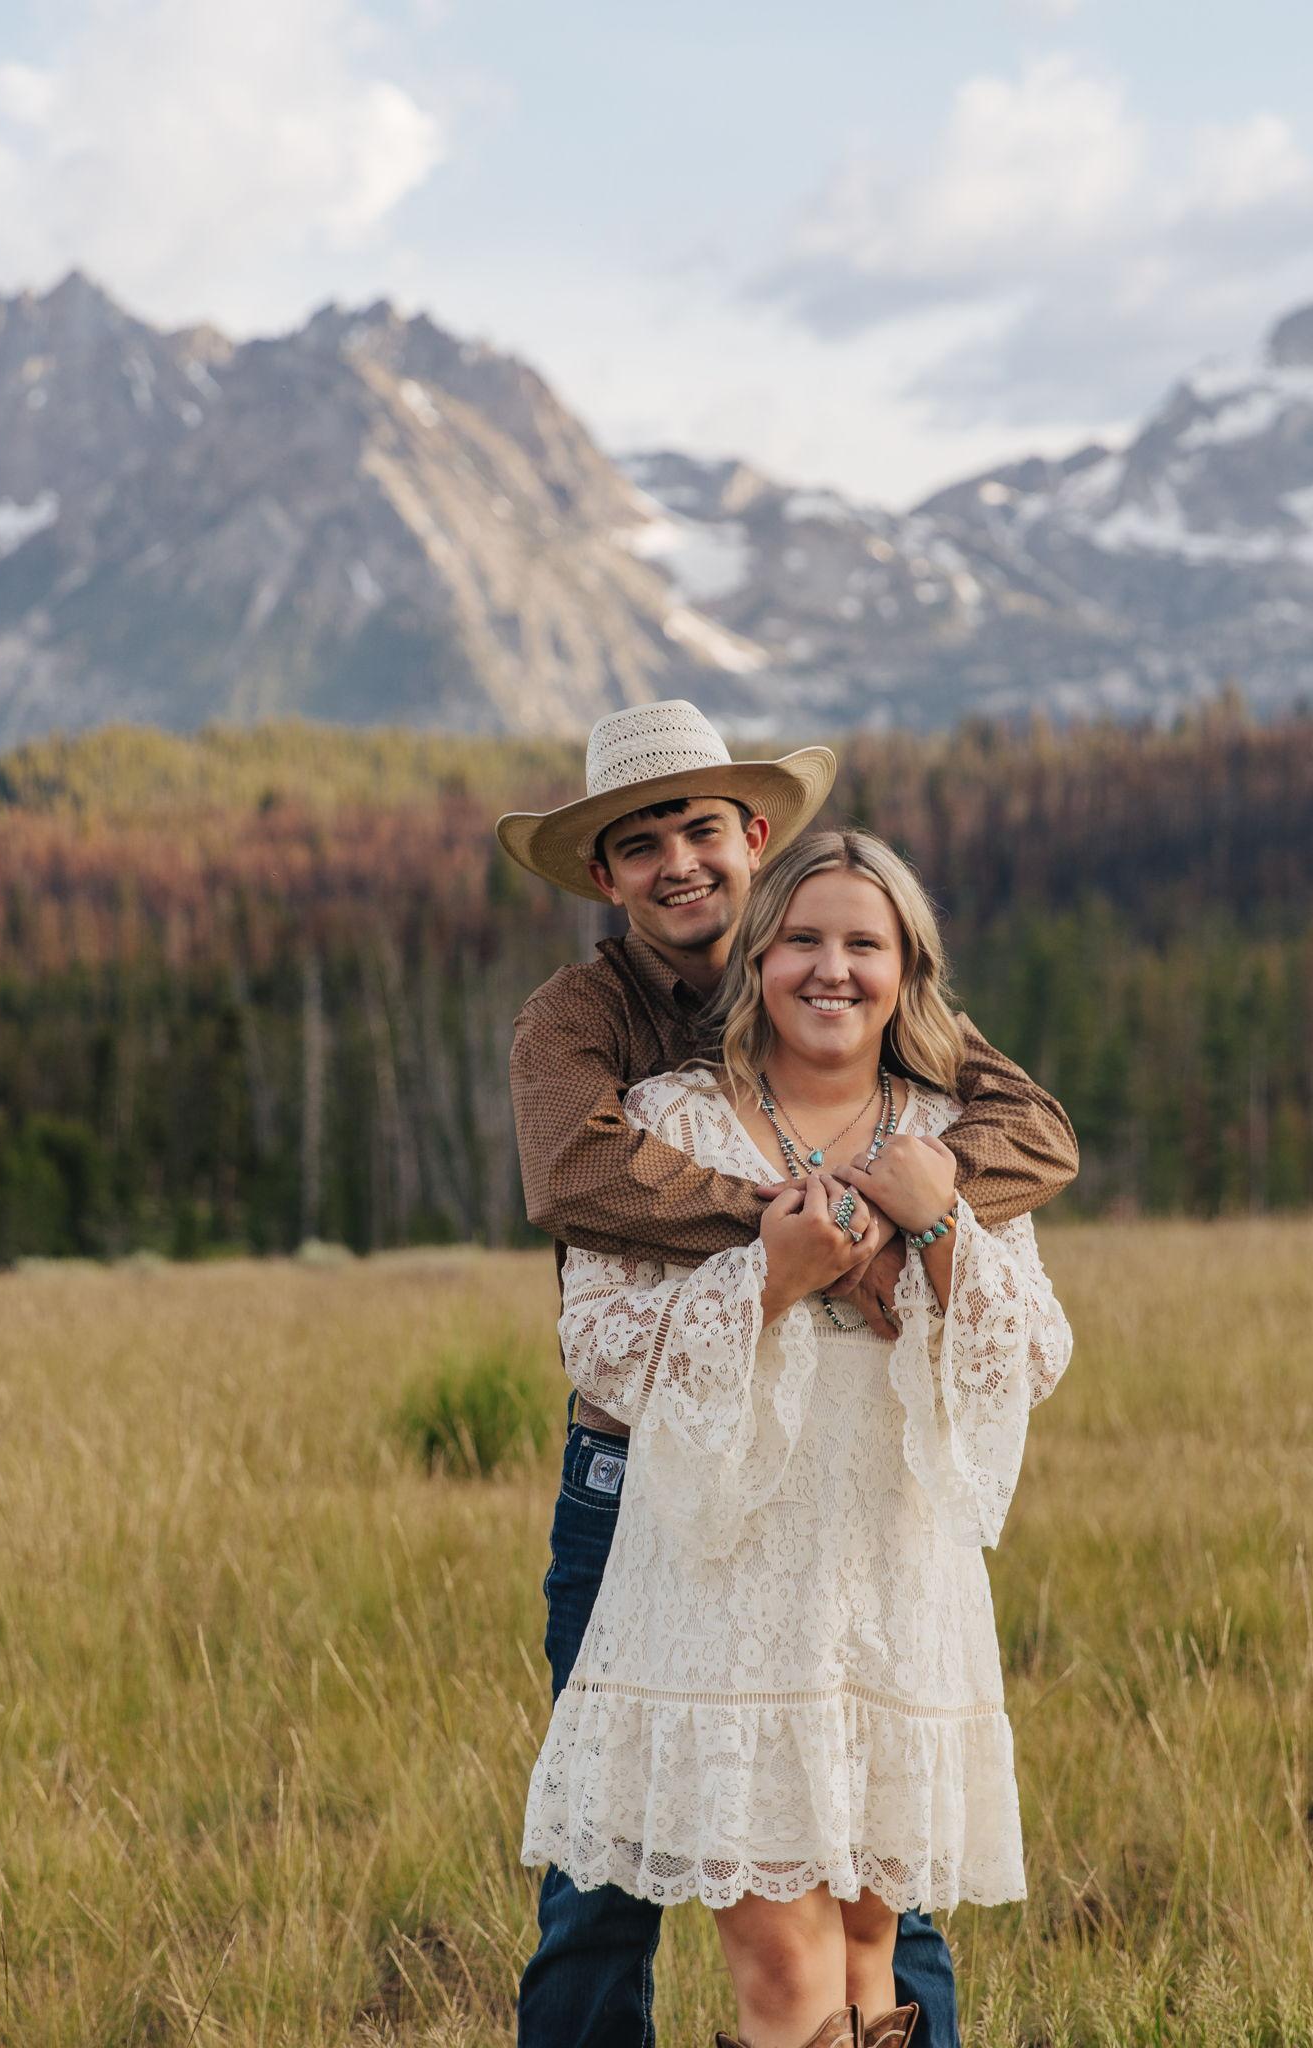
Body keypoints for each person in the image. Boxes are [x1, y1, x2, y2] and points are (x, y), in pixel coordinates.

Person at [498, 701, 1078, 2048]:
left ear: (753, 838)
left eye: (701, 831)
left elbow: (1034, 1136)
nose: (679, 865)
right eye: (641, 846)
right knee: (609, 1872)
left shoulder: (866, 988)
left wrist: (911, 1210)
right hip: (647, 1484)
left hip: (866, 1518)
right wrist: (800, 1236)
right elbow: (576, 1178)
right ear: (606, 876)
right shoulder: (582, 1024)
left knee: (887, 1904)